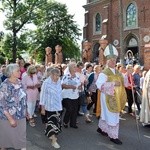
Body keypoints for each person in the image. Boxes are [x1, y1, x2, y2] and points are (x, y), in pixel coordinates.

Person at [96, 44, 127, 145]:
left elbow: (124, 83)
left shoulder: (118, 73)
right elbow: (99, 85)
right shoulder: (104, 73)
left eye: (114, 60)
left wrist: (128, 78)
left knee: (106, 115)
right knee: (112, 116)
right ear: (107, 61)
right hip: (107, 98)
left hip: (117, 97)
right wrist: (113, 84)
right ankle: (113, 136)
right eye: (111, 60)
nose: (113, 62)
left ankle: (102, 129)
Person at [0, 64, 26, 150]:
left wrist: (27, 111)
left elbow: (23, 98)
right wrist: (10, 119)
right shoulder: (4, 85)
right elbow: (2, 104)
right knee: (5, 141)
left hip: (21, 115)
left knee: (21, 139)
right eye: (18, 71)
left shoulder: (20, 82)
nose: (20, 72)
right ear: (11, 73)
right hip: (7, 117)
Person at [40, 68, 62, 149]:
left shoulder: (59, 81)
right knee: (52, 123)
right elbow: (42, 96)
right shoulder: (46, 83)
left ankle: (49, 133)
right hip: (49, 107)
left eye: (59, 76)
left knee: (56, 123)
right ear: (52, 75)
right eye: (57, 76)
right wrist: (42, 108)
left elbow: (59, 94)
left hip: (58, 106)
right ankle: (53, 141)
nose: (58, 77)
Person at [61, 62, 81, 129]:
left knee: (75, 110)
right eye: (74, 67)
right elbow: (62, 85)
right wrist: (71, 86)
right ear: (70, 68)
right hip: (67, 95)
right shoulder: (66, 76)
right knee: (70, 109)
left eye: (76, 67)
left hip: (75, 95)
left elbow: (79, 85)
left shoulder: (78, 76)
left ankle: (73, 123)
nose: (75, 68)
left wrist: (80, 86)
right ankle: (65, 121)